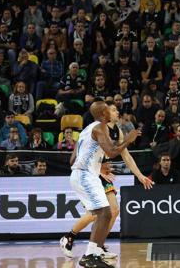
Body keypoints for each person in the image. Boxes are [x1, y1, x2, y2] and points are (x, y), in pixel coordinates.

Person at [61, 103, 154, 259]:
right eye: (113, 109)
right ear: (104, 113)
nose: (117, 111)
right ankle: (71, 238)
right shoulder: (95, 128)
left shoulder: (116, 131)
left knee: (112, 211)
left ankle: (99, 246)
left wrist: (139, 175)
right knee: (97, 214)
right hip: (88, 175)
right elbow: (75, 159)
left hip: (94, 174)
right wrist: (97, 166)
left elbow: (126, 156)